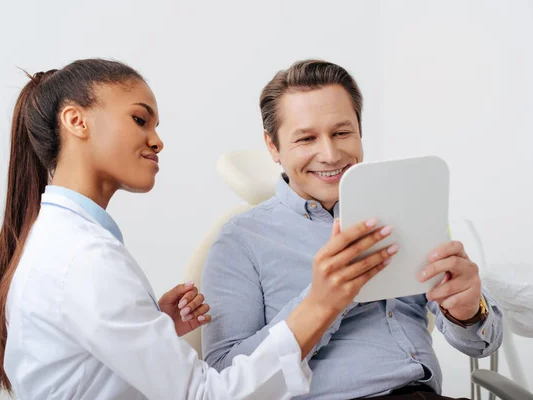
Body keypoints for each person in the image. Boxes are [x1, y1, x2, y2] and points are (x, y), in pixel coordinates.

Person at [0, 58, 398, 399]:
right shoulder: (84, 257)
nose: (157, 140)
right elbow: (204, 396)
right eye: (140, 120)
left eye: (342, 132)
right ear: (76, 121)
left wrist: (153, 328)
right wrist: (322, 305)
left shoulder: (66, 241)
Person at [201, 59, 503, 400]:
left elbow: (483, 343)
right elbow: (224, 377)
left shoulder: (404, 206)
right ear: (273, 146)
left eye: (342, 133)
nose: (330, 155)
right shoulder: (240, 240)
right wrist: (323, 302)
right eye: (306, 138)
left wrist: (467, 312)